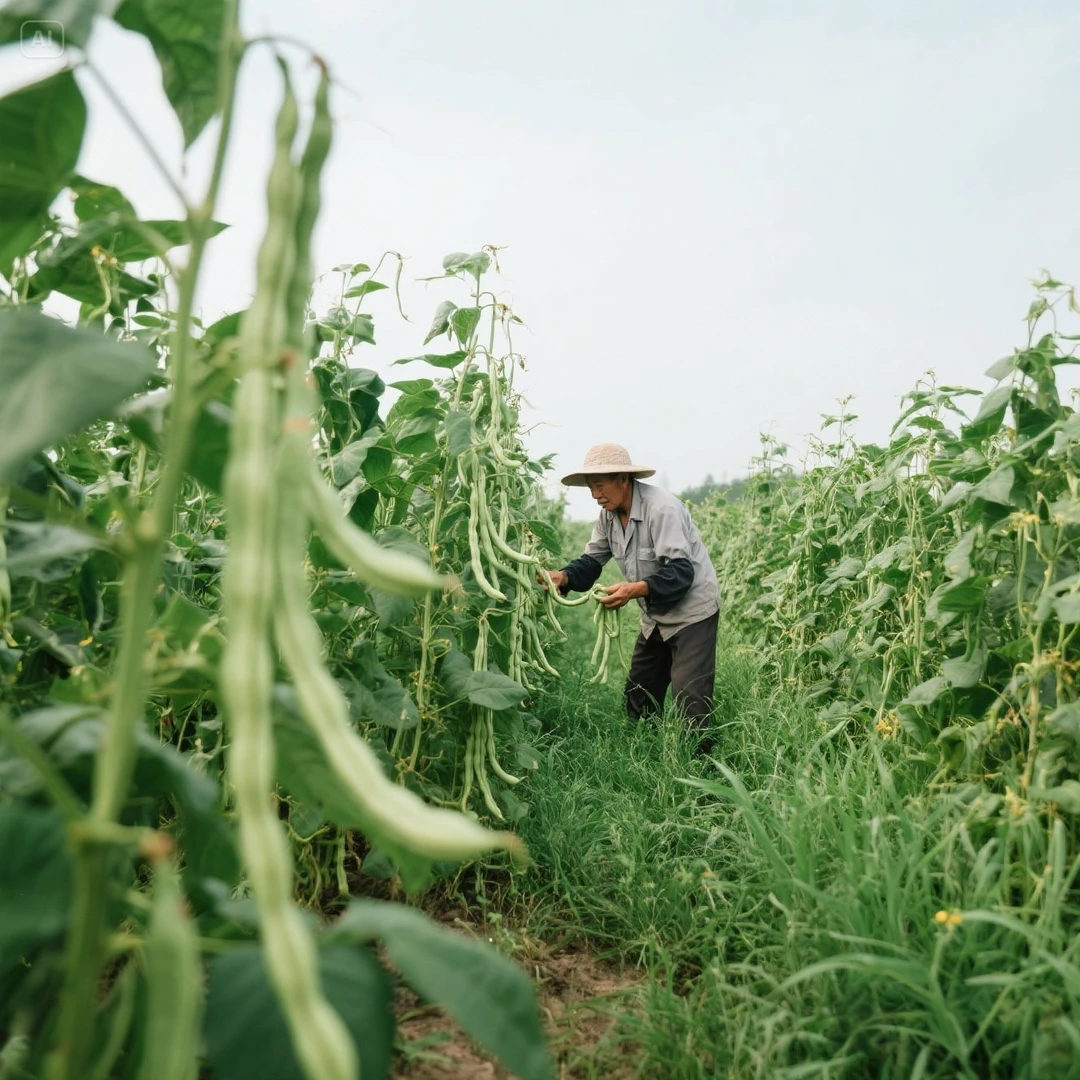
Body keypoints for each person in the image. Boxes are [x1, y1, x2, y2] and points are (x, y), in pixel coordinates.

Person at [541, 443, 721, 752]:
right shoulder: (608, 516)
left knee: (689, 694)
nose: (595, 494)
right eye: (590, 487)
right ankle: (646, 750)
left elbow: (680, 573)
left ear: (623, 479)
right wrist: (565, 577)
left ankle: (703, 766)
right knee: (640, 689)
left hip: (692, 611)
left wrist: (632, 590)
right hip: (656, 615)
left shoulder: (661, 509)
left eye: (600, 485)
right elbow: (591, 561)